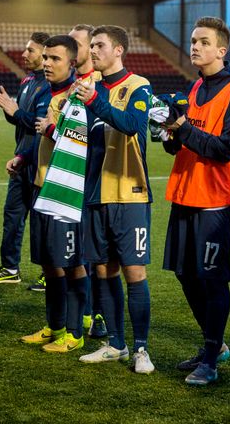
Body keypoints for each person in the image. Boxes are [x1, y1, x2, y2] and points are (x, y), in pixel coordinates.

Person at [158, 16, 230, 385]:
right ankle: (214, 344)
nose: (194, 46)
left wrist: (182, 129)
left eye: (202, 41)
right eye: (193, 40)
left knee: (211, 280)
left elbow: (226, 149)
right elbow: (178, 144)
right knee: (185, 274)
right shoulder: (192, 89)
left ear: (221, 50)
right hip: (184, 193)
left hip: (214, 200)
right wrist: (167, 134)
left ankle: (211, 359)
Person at [74, 25, 154, 374]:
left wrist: (94, 101)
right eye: (91, 46)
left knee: (134, 272)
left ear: (119, 50)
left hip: (129, 193)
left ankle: (141, 349)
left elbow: (132, 124)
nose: (93, 51)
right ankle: (116, 344)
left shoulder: (138, 86)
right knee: (103, 269)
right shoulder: (88, 88)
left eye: (100, 45)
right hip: (95, 193)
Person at [12, 35, 89, 354]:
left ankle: (76, 330)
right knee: (48, 263)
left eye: (54, 58)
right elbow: (40, 136)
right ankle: (55, 326)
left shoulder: (78, 96)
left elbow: (78, 141)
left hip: (65, 193)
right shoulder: (48, 92)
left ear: (72, 63)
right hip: (42, 187)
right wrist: (24, 156)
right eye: (45, 57)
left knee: (71, 263)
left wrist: (51, 130)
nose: (46, 63)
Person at [0, 31, 50, 287]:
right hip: (21, 161)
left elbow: (39, 125)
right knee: (12, 216)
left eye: (30, 50)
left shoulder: (49, 86)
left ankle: (50, 272)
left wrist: (16, 111)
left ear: (44, 54)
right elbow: (21, 119)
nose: (24, 54)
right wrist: (8, 110)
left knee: (42, 220)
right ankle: (10, 267)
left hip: (38, 162)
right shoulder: (27, 82)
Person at [68, 23, 107, 337]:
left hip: (94, 181)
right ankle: (86, 312)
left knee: (96, 254)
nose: (73, 48)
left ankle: (101, 314)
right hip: (73, 178)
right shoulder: (74, 84)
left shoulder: (98, 85)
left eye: (76, 43)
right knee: (79, 251)